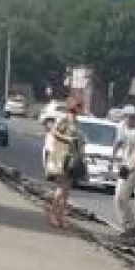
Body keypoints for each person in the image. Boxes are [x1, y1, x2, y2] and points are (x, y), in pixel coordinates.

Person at [45, 95, 85, 228]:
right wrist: (68, 139)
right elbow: (54, 131)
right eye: (79, 106)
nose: (81, 108)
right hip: (61, 156)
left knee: (66, 190)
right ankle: (52, 214)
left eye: (81, 106)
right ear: (73, 106)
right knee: (61, 188)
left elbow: (76, 137)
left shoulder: (75, 121)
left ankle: (61, 216)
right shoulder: (64, 117)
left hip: (72, 157)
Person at [112, 105, 135, 237]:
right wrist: (113, 157)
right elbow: (119, 141)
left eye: (132, 117)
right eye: (126, 116)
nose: (128, 119)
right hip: (125, 166)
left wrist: (133, 165)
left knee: (123, 196)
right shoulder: (121, 126)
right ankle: (127, 226)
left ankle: (131, 226)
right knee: (117, 198)